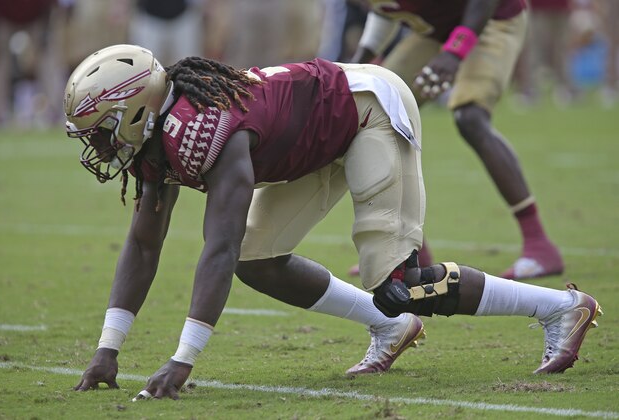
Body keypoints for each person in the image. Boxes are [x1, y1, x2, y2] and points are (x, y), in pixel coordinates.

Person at [65, 44, 601, 400]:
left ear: (137, 110)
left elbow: (217, 248)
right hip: (314, 139)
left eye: (100, 130)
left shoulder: (204, 129)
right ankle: (390, 327)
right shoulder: (159, 140)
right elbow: (143, 247)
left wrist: (183, 359)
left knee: (399, 285)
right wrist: (107, 349)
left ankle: (561, 307)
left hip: (364, 109)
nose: (98, 145)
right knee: (259, 259)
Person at [350, 0, 564, 280]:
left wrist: (455, 51)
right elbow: (385, 9)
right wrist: (362, 59)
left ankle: (539, 245)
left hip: (492, 19)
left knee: (470, 117)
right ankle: (408, 253)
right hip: (435, 31)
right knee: (376, 110)